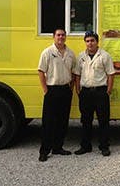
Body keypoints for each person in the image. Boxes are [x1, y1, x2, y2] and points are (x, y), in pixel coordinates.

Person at [74, 31, 115, 157]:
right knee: (86, 121)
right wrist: (78, 90)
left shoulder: (104, 56)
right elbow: (77, 74)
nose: (90, 43)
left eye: (92, 40)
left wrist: (108, 90)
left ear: (97, 42)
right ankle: (85, 146)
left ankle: (104, 146)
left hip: (100, 92)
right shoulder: (81, 56)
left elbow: (110, 74)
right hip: (85, 93)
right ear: (85, 42)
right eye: (87, 41)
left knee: (103, 121)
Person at [37, 28, 76, 162]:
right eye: (58, 35)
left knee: (63, 121)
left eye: (63, 35)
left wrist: (71, 88)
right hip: (51, 90)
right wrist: (45, 90)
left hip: (65, 90)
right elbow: (41, 71)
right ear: (54, 37)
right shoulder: (47, 52)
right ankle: (44, 151)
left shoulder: (70, 53)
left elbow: (74, 72)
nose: (61, 37)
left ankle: (58, 147)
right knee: (48, 122)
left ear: (65, 37)